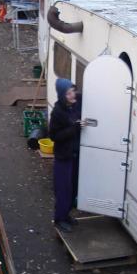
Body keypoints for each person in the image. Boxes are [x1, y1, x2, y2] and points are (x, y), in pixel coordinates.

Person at [48, 78, 86, 232]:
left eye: (73, 91)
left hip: (75, 155)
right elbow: (54, 136)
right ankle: (59, 219)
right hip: (64, 157)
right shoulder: (58, 112)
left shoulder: (76, 104)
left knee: (73, 188)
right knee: (63, 188)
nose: (72, 95)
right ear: (62, 95)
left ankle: (67, 214)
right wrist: (75, 128)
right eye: (68, 93)